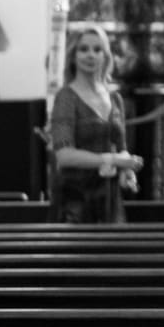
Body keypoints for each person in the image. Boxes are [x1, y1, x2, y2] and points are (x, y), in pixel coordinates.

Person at [48, 25, 143, 224]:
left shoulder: (115, 98)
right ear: (73, 55)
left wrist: (127, 170)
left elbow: (121, 149)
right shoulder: (66, 97)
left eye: (97, 50)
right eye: (83, 49)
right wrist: (113, 160)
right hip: (76, 200)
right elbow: (64, 156)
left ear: (105, 56)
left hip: (110, 197)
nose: (90, 55)